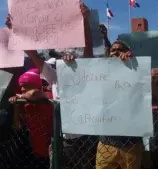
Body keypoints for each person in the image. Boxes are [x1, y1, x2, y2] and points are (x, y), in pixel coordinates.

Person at [5, 2, 98, 169]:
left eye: (67, 56)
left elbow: (88, 47)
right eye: (60, 58)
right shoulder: (54, 77)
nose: (65, 59)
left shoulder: (85, 74)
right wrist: (16, 31)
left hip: (85, 138)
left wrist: (83, 21)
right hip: (60, 138)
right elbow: (32, 53)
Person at [95, 41, 144, 169]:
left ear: (128, 52)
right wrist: (70, 63)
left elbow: (149, 92)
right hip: (106, 141)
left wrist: (133, 65)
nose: (115, 52)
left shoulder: (137, 71)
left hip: (131, 143)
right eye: (113, 50)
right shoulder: (99, 73)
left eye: (120, 49)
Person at [8, 68, 54, 169]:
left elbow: (34, 93)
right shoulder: (25, 102)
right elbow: (18, 126)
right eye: (21, 87)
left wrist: (20, 96)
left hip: (50, 149)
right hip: (35, 149)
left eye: (26, 86)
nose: (22, 89)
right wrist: (17, 106)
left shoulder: (46, 95)